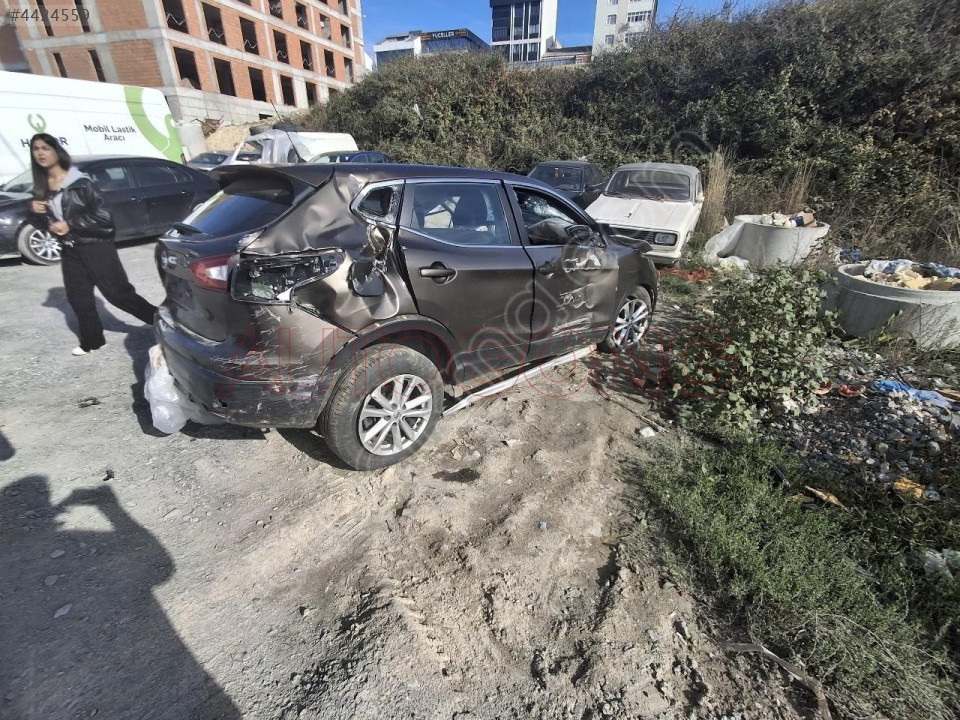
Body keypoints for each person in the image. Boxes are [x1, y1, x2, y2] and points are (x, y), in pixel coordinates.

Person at [27, 134, 157, 356]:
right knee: (79, 298)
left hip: (96, 246)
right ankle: (93, 341)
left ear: (57, 151)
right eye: (36, 148)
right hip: (70, 250)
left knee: (119, 295)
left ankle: (168, 323)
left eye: (46, 148)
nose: (40, 153)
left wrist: (70, 224)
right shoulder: (41, 187)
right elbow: (45, 225)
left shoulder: (80, 182)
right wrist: (34, 212)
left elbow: (105, 218)